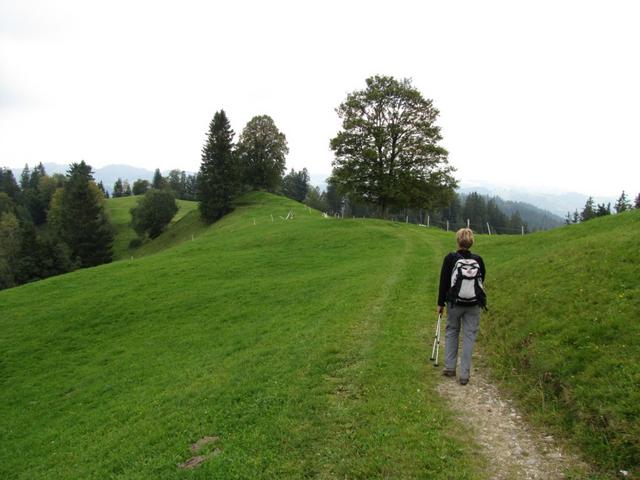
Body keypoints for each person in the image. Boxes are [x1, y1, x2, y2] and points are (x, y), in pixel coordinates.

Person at [437, 228, 486, 385]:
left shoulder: (450, 258)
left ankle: (450, 368)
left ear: (458, 240)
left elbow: (444, 282)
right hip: (473, 303)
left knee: (452, 331)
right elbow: (481, 280)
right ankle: (464, 375)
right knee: (469, 336)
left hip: (454, 303)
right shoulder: (478, 260)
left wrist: (440, 303)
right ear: (471, 242)